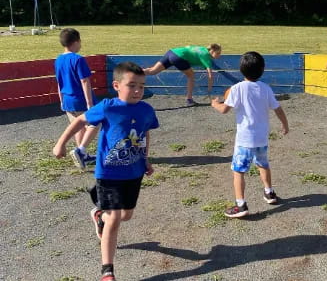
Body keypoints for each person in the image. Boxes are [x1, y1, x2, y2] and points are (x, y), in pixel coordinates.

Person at [53, 62, 159, 281]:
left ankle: (98, 213)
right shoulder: (109, 107)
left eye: (141, 85)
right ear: (117, 85)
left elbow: (144, 133)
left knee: (126, 215)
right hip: (108, 174)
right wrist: (61, 143)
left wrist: (145, 159)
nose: (138, 90)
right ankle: (107, 271)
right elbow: (82, 119)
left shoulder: (147, 109)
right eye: (132, 85)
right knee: (115, 219)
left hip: (134, 172)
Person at [211, 51, 289, 218]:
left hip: (244, 140)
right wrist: (285, 124)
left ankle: (241, 205)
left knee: (238, 171)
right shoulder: (266, 88)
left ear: (241, 69)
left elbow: (224, 110)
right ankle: (269, 192)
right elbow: (277, 108)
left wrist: (215, 104)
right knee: (263, 164)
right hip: (261, 138)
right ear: (262, 69)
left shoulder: (237, 89)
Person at [54, 27, 98, 169]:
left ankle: (81, 157)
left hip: (67, 99)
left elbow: (59, 82)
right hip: (80, 99)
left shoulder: (58, 60)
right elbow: (84, 81)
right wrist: (90, 103)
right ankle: (81, 150)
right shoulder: (78, 59)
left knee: (78, 128)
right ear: (76, 41)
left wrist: (61, 99)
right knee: (95, 123)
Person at [144, 44, 222, 106]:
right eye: (218, 53)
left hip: (171, 52)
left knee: (152, 71)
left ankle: (134, 72)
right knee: (191, 75)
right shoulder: (206, 57)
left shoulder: (202, 48)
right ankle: (189, 99)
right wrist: (209, 89)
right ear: (212, 51)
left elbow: (187, 46)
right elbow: (210, 75)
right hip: (179, 57)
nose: (219, 55)